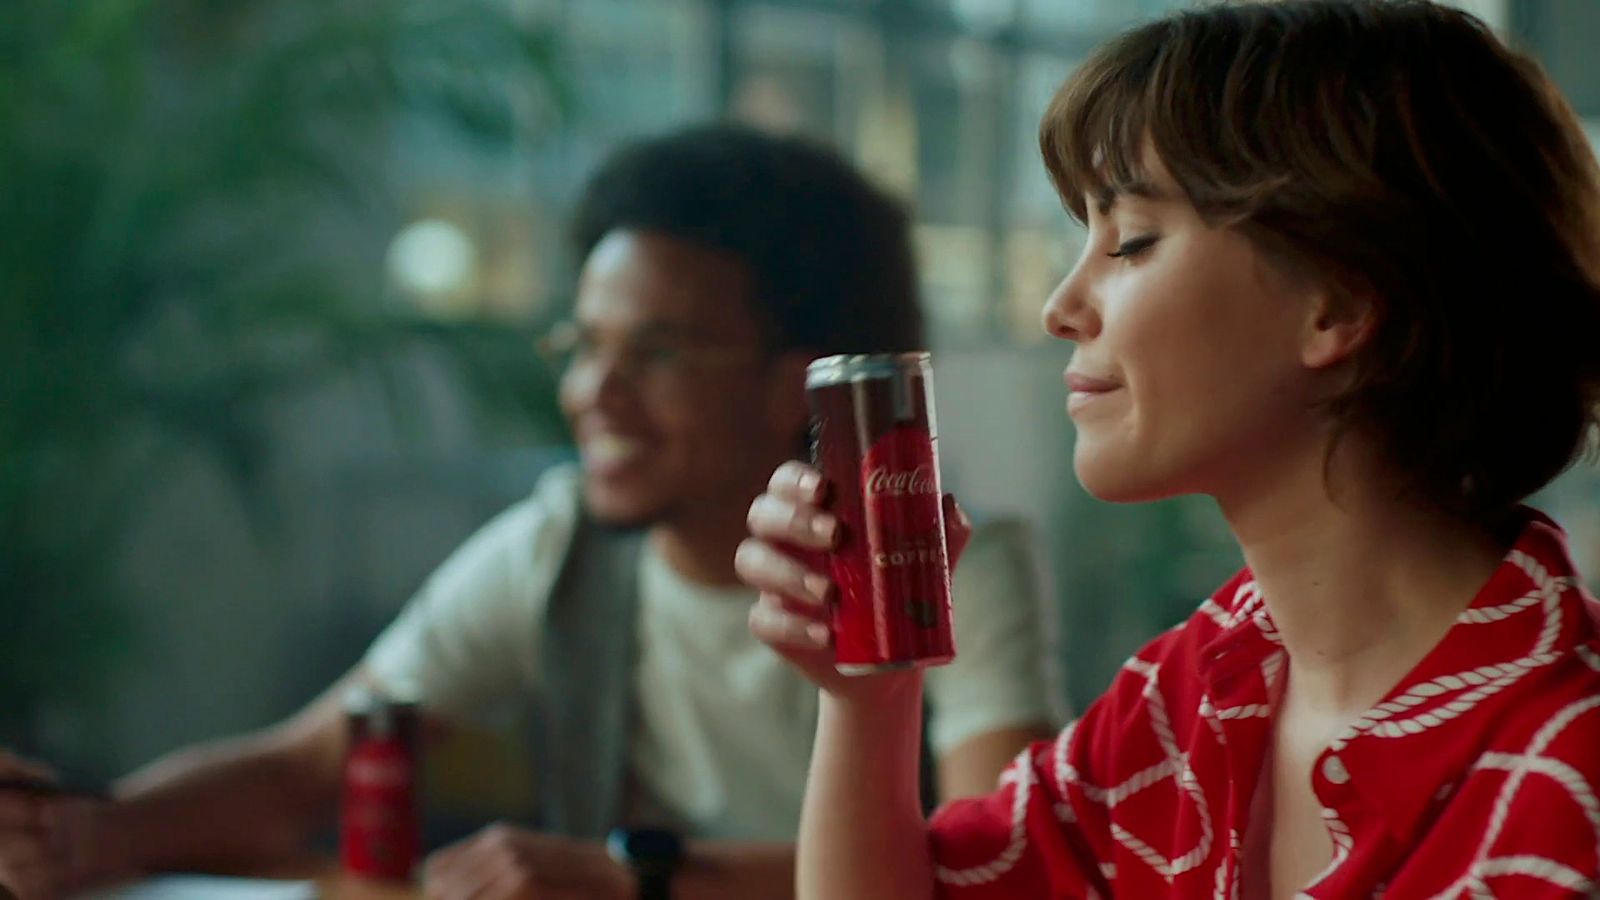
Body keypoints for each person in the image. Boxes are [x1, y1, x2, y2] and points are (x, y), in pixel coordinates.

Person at [0, 125, 1062, 900]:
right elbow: (305, 766)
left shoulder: (946, 562)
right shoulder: (561, 548)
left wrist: (629, 880)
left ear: (802, 385)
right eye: (584, 346)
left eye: (654, 354)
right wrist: (98, 834)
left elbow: (988, 852)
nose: (590, 394)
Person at [739, 2, 1600, 897]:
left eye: (1132, 241)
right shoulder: (1198, 691)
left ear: (1338, 304)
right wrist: (868, 697)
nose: (1060, 306)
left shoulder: (1568, 782)